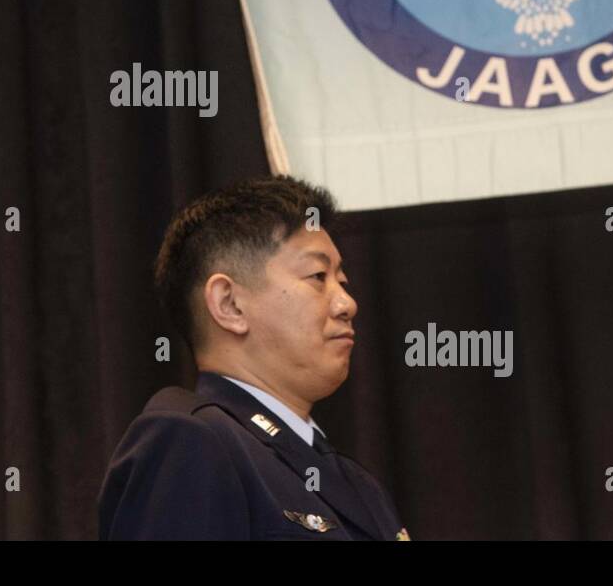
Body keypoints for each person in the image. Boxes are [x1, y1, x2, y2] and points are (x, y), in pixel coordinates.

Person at [99, 175, 408, 540]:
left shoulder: (355, 481)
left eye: (342, 280)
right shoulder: (191, 442)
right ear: (229, 304)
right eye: (317, 276)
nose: (347, 303)